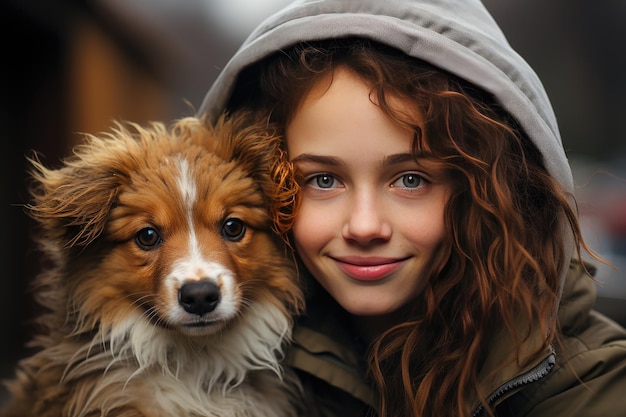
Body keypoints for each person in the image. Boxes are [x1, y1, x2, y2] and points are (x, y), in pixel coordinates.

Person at [197, 1, 626, 416]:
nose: (364, 226)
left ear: (490, 191)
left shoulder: (591, 388)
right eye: (323, 180)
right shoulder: (213, 379)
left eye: (410, 180)